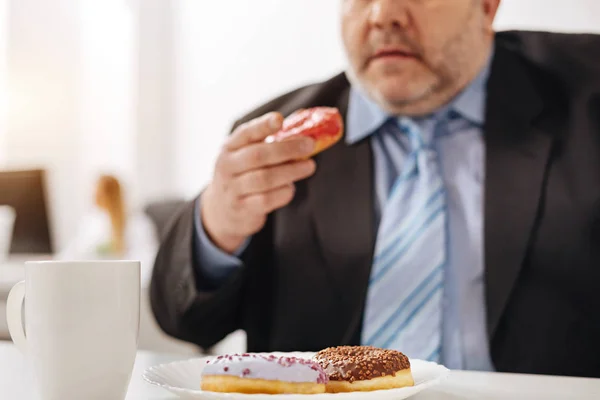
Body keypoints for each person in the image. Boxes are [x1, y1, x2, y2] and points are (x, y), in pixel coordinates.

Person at [150, 0, 600, 377]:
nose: (383, 14)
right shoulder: (278, 140)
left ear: (486, 6)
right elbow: (183, 321)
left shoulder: (587, 96)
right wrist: (218, 226)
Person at [58, 174, 158, 285]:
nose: (93, 198)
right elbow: (74, 251)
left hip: (119, 283)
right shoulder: (91, 221)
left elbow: (146, 260)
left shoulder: (137, 223)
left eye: (98, 194)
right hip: (89, 281)